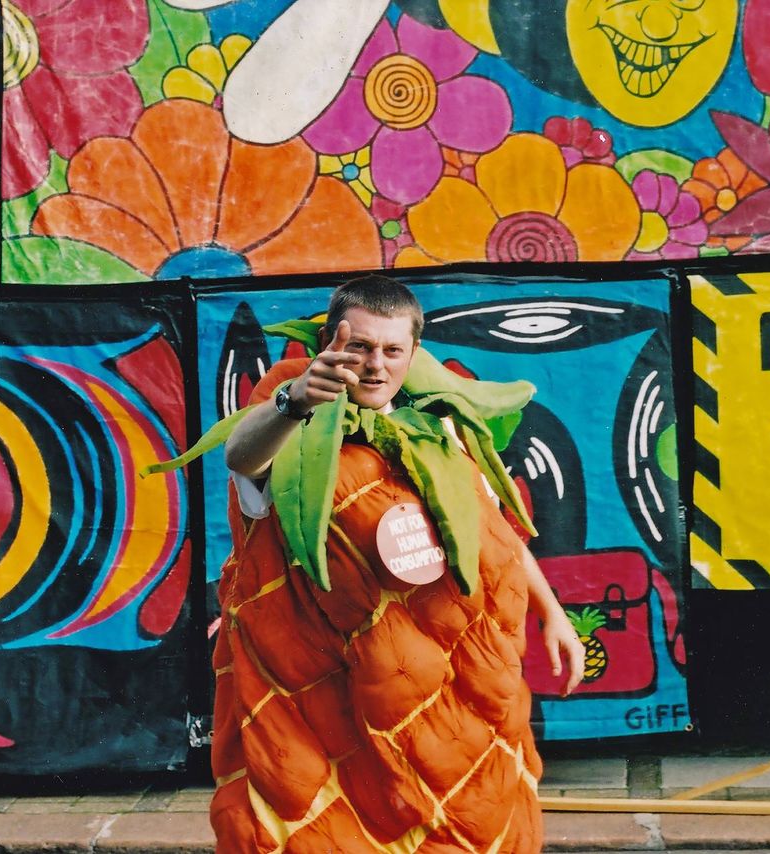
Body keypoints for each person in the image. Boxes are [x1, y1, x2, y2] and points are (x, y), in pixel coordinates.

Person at [210, 274, 585, 852]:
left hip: (454, 695)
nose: (375, 365)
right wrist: (295, 402)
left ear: (415, 353)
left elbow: (492, 529)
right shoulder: (292, 430)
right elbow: (243, 457)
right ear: (330, 344)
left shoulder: (443, 428)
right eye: (358, 347)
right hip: (326, 697)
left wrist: (552, 613)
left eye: (392, 350)